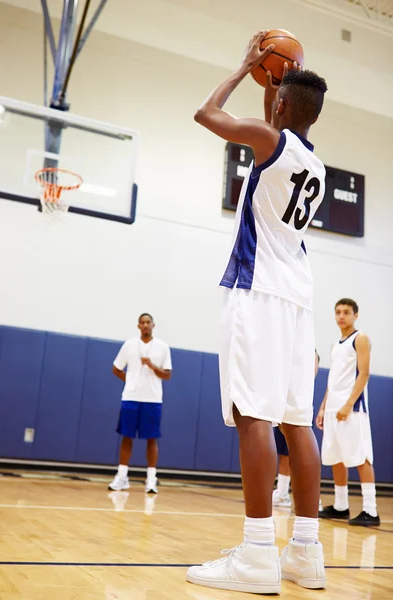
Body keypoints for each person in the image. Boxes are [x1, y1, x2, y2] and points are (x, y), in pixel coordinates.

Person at [187, 31, 328, 594]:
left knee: (253, 416)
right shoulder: (316, 167)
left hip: (258, 291)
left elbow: (206, 113)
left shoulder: (269, 141)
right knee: (297, 421)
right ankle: (306, 552)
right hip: (299, 297)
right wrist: (271, 80)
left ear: (282, 105)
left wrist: (245, 67)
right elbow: (279, 116)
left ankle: (255, 553)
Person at [317, 298, 380, 526]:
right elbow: (332, 379)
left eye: (346, 312)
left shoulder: (360, 338)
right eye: (338, 312)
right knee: (336, 456)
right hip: (334, 407)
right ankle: (341, 506)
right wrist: (324, 406)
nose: (341, 316)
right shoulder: (336, 345)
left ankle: (371, 510)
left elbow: (363, 374)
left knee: (360, 455)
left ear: (356, 315)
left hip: (352, 407)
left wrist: (347, 404)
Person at [109, 313, 172, 494]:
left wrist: (152, 366)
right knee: (126, 436)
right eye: (142, 323)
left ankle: (151, 480)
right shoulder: (129, 345)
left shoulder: (162, 347)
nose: (145, 325)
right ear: (138, 326)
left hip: (152, 399)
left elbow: (167, 375)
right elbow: (115, 368)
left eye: (148, 322)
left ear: (153, 325)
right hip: (130, 398)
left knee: (152, 439)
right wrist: (129, 381)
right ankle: (122, 477)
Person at [273, 350, 320, 508]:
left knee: (300, 453)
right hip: (281, 406)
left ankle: (313, 498)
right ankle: (282, 492)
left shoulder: (309, 352)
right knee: (283, 453)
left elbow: (308, 377)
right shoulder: (285, 348)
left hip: (298, 408)